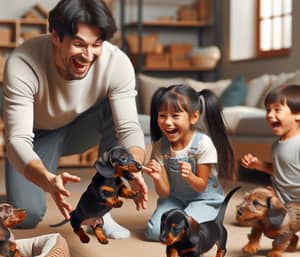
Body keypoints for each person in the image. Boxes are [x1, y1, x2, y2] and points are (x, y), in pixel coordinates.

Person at [1, 0, 148, 237]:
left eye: (96, 45)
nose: (88, 55)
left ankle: (101, 212)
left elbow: (129, 127)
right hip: (37, 134)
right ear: (56, 37)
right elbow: (18, 138)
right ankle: (17, 189)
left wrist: (134, 167)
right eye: (79, 44)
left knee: (115, 109)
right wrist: (47, 180)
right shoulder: (22, 63)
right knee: (27, 215)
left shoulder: (116, 63)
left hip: (82, 127)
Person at [142, 84, 235, 241]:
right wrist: (157, 178)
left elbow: (201, 185)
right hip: (175, 198)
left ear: (194, 117)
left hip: (203, 197)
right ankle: (191, 213)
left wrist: (190, 176)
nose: (167, 122)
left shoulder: (202, 143)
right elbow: (164, 192)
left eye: (175, 116)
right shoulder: (160, 146)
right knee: (154, 232)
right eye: (162, 115)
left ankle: (209, 214)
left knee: (187, 230)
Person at [241, 84, 300, 205]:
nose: (269, 114)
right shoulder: (276, 145)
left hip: (297, 202)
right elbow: (281, 171)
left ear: (298, 115)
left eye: (277, 110)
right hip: (279, 198)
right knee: (251, 202)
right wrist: (258, 164)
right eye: (268, 110)